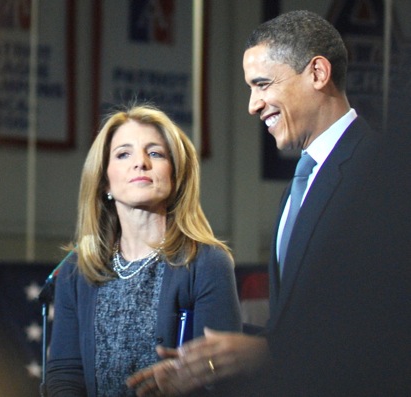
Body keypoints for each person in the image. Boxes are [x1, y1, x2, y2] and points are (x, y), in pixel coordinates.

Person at [127, 10, 411, 396]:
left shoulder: (382, 178)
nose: (252, 105)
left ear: (317, 73)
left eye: (262, 84)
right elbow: (295, 328)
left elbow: (385, 324)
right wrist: (207, 370)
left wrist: (265, 352)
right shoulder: (298, 185)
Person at [46, 104, 242, 396]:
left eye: (155, 153)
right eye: (123, 154)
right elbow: (65, 374)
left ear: (175, 176)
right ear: (104, 182)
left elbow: (223, 380)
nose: (140, 163)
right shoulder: (77, 269)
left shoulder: (207, 263)